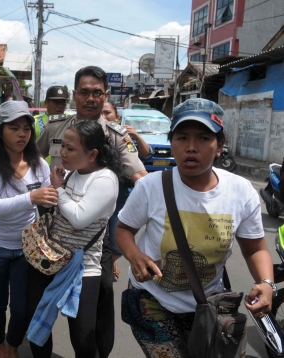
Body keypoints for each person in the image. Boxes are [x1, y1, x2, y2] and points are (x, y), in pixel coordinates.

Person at [116, 98, 274, 357]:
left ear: (219, 145)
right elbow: (123, 230)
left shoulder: (240, 191)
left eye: (203, 138)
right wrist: (135, 256)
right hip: (152, 300)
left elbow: (256, 248)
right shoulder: (150, 186)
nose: (191, 147)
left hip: (209, 305)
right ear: (172, 142)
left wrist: (266, 283)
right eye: (181, 138)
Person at [37, 65, 148, 357]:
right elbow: (32, 163)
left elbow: (141, 180)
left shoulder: (115, 134)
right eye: (84, 92)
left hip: (96, 233)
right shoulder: (56, 128)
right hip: (53, 231)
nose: (90, 98)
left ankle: (98, 351)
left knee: (99, 296)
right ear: (74, 94)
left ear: (105, 96)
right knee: (43, 296)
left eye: (97, 93)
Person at [28, 120, 123, 358]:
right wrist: (58, 187)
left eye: (70, 148)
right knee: (39, 323)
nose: (62, 153)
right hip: (52, 262)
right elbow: (60, 213)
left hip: (83, 270)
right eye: (62, 145)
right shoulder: (71, 175)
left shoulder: (105, 180)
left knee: (81, 337)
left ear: (92, 154)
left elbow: (79, 218)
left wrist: (58, 190)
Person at [0, 100, 58, 358]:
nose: (22, 134)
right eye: (14, 128)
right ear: (0, 131)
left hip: (28, 249)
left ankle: (13, 345)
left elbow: (48, 203)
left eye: (26, 128)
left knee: (22, 308)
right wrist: (30, 199)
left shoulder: (40, 165)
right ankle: (0, 346)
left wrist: (58, 189)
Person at [102, 100, 153, 281]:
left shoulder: (123, 136)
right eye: (101, 113)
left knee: (117, 243)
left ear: (117, 116)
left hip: (122, 197)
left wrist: (136, 136)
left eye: (107, 113)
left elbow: (146, 153)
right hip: (98, 198)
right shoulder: (90, 134)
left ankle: (108, 263)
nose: (104, 116)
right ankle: (105, 266)